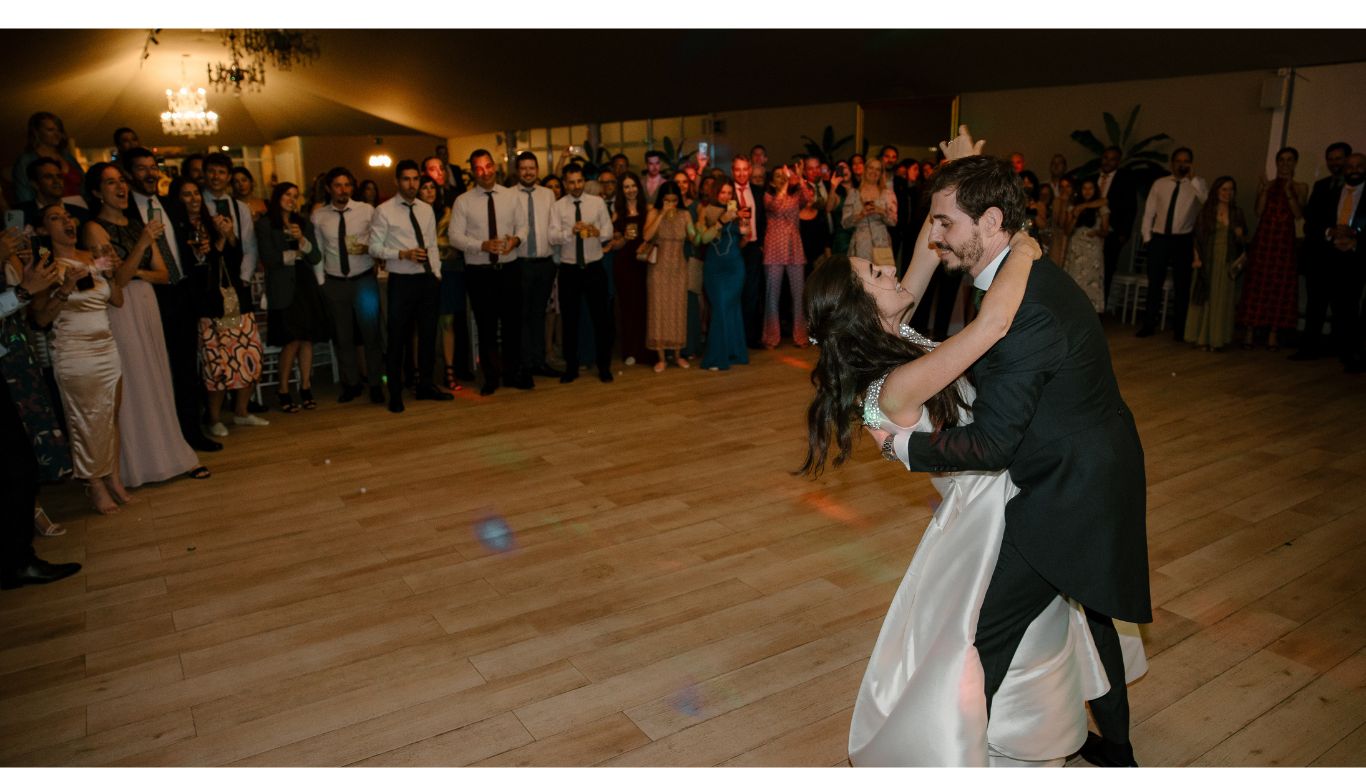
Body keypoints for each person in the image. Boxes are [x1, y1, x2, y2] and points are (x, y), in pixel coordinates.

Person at [805, 239, 1126, 765]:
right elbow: (991, 326)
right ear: (859, 307)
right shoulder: (892, 387)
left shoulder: (895, 337)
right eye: (873, 272)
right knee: (997, 634)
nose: (890, 271)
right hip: (985, 509)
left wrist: (952, 174)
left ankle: (1071, 734)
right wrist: (1022, 249)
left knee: (1053, 616)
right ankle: (966, 741)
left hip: (1008, 480)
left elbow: (922, 260)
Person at [891, 146, 1150, 767]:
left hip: (1069, 488)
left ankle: (948, 755)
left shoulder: (1021, 310)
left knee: (982, 637)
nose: (934, 237)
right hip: (1092, 464)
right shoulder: (1019, 272)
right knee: (1091, 617)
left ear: (991, 224)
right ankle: (1117, 749)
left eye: (944, 223)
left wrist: (902, 445)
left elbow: (995, 443)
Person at [82, 164, 207, 487]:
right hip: (122, 311)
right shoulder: (95, 229)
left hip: (148, 303)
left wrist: (134, 269)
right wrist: (140, 250)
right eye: (111, 183)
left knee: (158, 376)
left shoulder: (137, 223)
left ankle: (168, 454)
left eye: (121, 180)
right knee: (135, 381)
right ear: (97, 192)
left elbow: (164, 274)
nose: (120, 187)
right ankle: (137, 465)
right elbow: (115, 284)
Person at [123, 148, 219, 453]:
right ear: (128, 175)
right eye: (142, 169)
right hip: (145, 297)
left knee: (185, 369)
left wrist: (199, 252)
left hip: (181, 297)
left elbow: (183, 251)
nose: (151, 173)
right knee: (151, 370)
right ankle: (158, 440)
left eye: (154, 167)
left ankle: (191, 433)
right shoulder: (123, 213)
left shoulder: (170, 205)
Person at [1, 238, 82, 589]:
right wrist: (22, 292)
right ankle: (17, 562)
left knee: (20, 466)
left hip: (15, 363)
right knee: (17, 467)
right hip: (8, 368)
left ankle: (18, 559)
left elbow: (35, 322)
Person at [50, 203, 135, 513]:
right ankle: (94, 485)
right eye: (55, 218)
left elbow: (117, 299)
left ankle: (112, 477)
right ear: (45, 229)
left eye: (68, 216)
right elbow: (41, 318)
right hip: (74, 352)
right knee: (84, 421)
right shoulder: (46, 265)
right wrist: (66, 286)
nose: (66, 222)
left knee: (110, 416)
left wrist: (110, 272)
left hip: (107, 349)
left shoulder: (92, 258)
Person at [182, 173, 267, 438]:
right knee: (217, 362)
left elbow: (234, 255)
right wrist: (219, 242)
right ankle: (215, 418)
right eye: (187, 194)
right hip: (208, 303)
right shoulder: (180, 228)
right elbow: (196, 267)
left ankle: (241, 412)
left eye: (196, 194)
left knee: (246, 353)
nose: (194, 199)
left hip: (232, 298)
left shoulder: (214, 221)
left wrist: (228, 236)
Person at [371, 160, 452, 412]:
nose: (412, 184)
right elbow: (374, 247)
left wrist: (437, 274)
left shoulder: (426, 209)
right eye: (406, 179)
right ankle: (395, 392)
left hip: (427, 279)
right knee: (397, 338)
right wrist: (402, 254)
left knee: (429, 335)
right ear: (397, 181)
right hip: (401, 281)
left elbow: (431, 245)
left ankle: (425, 385)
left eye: (415, 179)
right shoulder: (384, 211)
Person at [448, 149, 528, 396]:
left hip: (510, 268)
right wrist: (481, 245)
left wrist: (516, 239)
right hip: (480, 272)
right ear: (473, 172)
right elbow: (454, 237)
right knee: (486, 327)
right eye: (479, 168)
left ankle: (513, 373)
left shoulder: (511, 196)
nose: (485, 172)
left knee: (513, 325)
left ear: (495, 167)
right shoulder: (463, 201)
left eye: (488, 166)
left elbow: (524, 226)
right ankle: (491, 377)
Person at [311, 166, 385, 404]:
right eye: (338, 185)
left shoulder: (367, 211)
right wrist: (322, 282)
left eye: (347, 185)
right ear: (328, 188)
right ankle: (351, 384)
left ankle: (375, 384)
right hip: (334, 283)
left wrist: (369, 249)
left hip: (363, 279)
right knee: (342, 338)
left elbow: (380, 239)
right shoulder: (319, 216)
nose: (343, 190)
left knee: (371, 334)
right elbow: (318, 251)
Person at [257, 182, 329, 411]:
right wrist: (293, 254)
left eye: (295, 196)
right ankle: (283, 389)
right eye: (287, 194)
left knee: (307, 338)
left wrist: (301, 241)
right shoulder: (265, 224)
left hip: (304, 285)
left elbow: (315, 256)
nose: (291, 199)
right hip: (282, 287)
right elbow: (268, 258)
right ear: (278, 196)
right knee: (291, 340)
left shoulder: (302, 223)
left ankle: (306, 386)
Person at [549, 163, 614, 384]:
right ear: (565, 183)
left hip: (594, 267)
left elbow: (608, 232)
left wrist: (598, 232)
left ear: (584, 181)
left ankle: (604, 366)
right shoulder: (558, 207)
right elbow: (552, 237)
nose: (576, 186)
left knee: (601, 320)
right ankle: (572, 367)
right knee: (570, 321)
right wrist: (570, 232)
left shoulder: (597, 203)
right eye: (571, 182)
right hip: (569, 270)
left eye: (579, 181)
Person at [1237, 147, 1306, 351]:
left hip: (1284, 243)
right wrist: (1265, 190)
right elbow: (1258, 211)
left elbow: (1298, 214)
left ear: (1295, 163)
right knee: (1257, 284)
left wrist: (1288, 192)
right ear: (1277, 163)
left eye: (1289, 160)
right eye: (1281, 160)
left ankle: (1273, 334)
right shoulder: (1268, 186)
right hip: (1265, 241)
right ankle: (1250, 331)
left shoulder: (1301, 187)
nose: (1285, 164)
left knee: (1280, 286)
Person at [1137, 147, 1206, 339]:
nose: (1182, 164)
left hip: (1182, 240)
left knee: (1182, 285)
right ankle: (1149, 324)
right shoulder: (1160, 184)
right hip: (1159, 238)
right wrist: (1147, 239)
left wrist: (1193, 179)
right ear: (1172, 163)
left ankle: (1180, 328)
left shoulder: (1196, 184)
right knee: (1154, 283)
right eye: (1179, 160)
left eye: (1186, 161)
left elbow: (1206, 201)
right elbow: (1149, 212)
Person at [1294, 141, 1353, 361]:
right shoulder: (1321, 186)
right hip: (1319, 254)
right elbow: (1310, 221)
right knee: (1315, 304)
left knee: (1343, 305)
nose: (1334, 163)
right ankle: (1309, 347)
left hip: (1345, 257)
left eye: (1338, 158)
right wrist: (1329, 231)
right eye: (1331, 158)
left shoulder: (1356, 188)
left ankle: (1342, 350)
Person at [510, 152, 562, 380]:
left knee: (539, 314)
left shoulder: (548, 194)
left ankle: (539, 361)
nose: (528, 172)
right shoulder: (508, 195)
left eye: (532, 168)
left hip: (544, 263)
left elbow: (554, 226)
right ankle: (524, 364)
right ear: (517, 171)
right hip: (520, 262)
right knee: (521, 315)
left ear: (537, 170)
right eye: (524, 168)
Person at [1184, 177, 1247, 351]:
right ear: (1216, 191)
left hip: (1226, 260)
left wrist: (1239, 234)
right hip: (1207, 259)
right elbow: (1197, 237)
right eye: (1224, 189)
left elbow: (1243, 241)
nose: (1228, 193)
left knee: (1221, 299)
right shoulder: (1207, 211)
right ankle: (1201, 337)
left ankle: (1217, 338)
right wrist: (1197, 258)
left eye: (1231, 190)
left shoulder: (1237, 213)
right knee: (1206, 297)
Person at [642, 181, 692, 372]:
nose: (670, 203)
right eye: (666, 200)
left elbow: (693, 236)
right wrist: (662, 213)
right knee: (659, 309)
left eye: (674, 200)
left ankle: (678, 354)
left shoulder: (685, 214)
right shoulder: (654, 213)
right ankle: (661, 356)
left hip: (679, 266)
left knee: (678, 309)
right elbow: (646, 236)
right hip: (659, 268)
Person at [697, 181, 747, 372]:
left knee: (730, 309)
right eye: (722, 192)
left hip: (735, 267)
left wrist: (744, 232)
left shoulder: (738, 212)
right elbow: (703, 238)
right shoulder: (706, 211)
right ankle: (717, 357)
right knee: (720, 309)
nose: (726, 196)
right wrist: (721, 221)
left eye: (729, 192)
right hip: (714, 269)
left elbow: (741, 242)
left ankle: (732, 352)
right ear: (715, 193)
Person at [761, 164, 812, 349]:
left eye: (784, 175)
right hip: (774, 248)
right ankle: (771, 337)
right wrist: (784, 187)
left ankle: (800, 336)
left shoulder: (796, 196)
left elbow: (808, 198)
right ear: (772, 181)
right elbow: (775, 207)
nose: (782, 178)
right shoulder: (768, 196)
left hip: (794, 248)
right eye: (778, 176)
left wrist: (799, 178)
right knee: (771, 295)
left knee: (799, 295)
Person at [612, 171, 650, 365]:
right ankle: (630, 351)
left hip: (644, 262)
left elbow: (653, 236)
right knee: (627, 308)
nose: (630, 190)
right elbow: (613, 242)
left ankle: (645, 350)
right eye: (626, 187)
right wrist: (622, 239)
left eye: (633, 185)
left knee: (645, 306)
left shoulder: (648, 210)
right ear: (622, 190)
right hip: (624, 264)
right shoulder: (617, 213)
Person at [732, 156, 767, 349]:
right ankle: (735, 337)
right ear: (732, 171)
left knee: (752, 294)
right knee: (735, 293)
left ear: (750, 171)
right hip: (734, 248)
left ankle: (750, 338)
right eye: (738, 170)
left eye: (745, 169)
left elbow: (763, 220)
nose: (742, 173)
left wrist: (760, 244)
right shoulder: (728, 194)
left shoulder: (758, 192)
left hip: (753, 248)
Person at [1098, 147, 1140, 308]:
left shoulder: (1125, 180)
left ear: (1118, 161)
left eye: (1113, 159)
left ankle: (1101, 309)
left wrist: (1124, 234)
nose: (1108, 162)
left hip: (1113, 234)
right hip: (1091, 233)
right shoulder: (1093, 178)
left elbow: (1131, 209)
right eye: (1106, 158)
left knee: (1107, 270)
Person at [12, 112, 84, 204]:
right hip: (49, 212)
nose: (57, 135)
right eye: (50, 130)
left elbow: (84, 185)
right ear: (36, 132)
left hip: (80, 209)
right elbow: (24, 195)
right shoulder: (26, 160)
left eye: (59, 130)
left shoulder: (67, 156)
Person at [1062, 178, 1109, 313]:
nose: (1087, 192)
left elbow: (1105, 231)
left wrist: (1097, 232)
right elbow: (1067, 230)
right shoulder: (1073, 207)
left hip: (1092, 249)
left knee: (1091, 281)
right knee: (1074, 281)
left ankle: (1091, 314)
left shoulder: (1101, 207)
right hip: (1076, 248)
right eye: (1084, 188)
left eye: (1091, 188)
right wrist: (1076, 215)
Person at [843, 156, 898, 265]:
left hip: (882, 244)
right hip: (860, 246)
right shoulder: (853, 193)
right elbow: (845, 223)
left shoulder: (888, 193)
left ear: (881, 173)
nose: (874, 172)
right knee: (860, 278)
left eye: (878, 169)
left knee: (882, 278)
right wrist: (860, 214)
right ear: (865, 170)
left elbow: (893, 221)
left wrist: (881, 211)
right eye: (871, 168)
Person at [19, 157, 91, 228]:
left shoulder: (82, 214)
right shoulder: (21, 215)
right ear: (35, 184)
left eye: (59, 176)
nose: (56, 181)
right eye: (48, 177)